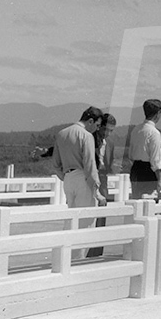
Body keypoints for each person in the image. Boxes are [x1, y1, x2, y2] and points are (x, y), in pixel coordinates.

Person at [52, 106, 107, 260]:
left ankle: (65, 259)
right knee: (86, 223)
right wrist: (97, 192)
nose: (96, 130)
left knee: (71, 222)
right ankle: (77, 262)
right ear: (90, 121)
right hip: (82, 178)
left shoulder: (61, 134)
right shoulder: (86, 136)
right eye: (96, 125)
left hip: (68, 179)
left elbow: (56, 164)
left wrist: (66, 177)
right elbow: (90, 166)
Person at [87, 112, 117, 258]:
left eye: (111, 130)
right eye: (106, 129)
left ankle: (97, 253)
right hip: (90, 179)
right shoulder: (89, 139)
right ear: (100, 126)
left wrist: (114, 168)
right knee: (89, 217)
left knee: (102, 217)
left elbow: (109, 164)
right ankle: (85, 252)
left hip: (103, 181)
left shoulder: (110, 143)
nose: (108, 133)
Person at [128, 99, 161, 200]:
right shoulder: (154, 133)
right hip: (148, 172)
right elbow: (156, 160)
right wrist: (160, 180)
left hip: (135, 169)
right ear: (157, 114)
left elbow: (130, 155)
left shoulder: (136, 130)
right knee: (149, 204)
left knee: (137, 202)